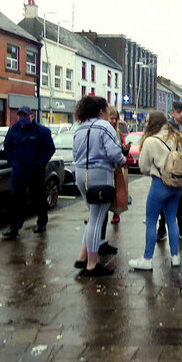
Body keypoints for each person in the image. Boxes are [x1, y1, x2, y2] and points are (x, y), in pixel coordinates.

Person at [129, 112, 182, 270]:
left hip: (160, 184)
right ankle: (175, 257)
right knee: (171, 220)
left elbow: (144, 167)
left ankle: (147, 259)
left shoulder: (150, 141)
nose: (146, 124)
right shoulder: (176, 136)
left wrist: (154, 171)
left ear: (153, 123)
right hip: (177, 185)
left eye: (147, 121)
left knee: (151, 221)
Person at [73, 96, 126, 276]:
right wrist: (123, 159)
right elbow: (114, 153)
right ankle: (92, 264)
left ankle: (82, 258)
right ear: (101, 111)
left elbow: (75, 153)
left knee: (92, 215)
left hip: (80, 173)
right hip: (99, 173)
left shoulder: (79, 128)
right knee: (97, 219)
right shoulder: (104, 127)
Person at [2, 106, 56, 239]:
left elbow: (50, 149)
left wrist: (39, 164)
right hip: (19, 171)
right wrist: (12, 162)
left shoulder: (42, 131)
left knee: (38, 198)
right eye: (20, 116)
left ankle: (41, 223)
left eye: (25, 116)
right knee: (16, 199)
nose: (22, 119)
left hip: (35, 172)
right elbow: (7, 147)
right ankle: (14, 227)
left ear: (32, 116)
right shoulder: (13, 130)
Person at [92, 105, 130, 256]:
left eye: (115, 118)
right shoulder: (103, 130)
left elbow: (117, 150)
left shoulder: (116, 132)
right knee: (100, 209)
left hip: (112, 171)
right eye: (111, 118)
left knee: (107, 204)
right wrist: (122, 156)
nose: (114, 121)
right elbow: (112, 153)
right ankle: (97, 245)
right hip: (104, 171)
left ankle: (99, 242)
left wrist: (125, 149)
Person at [157, 101, 182, 242]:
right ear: (172, 113)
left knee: (181, 200)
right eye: (178, 112)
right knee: (166, 198)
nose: (181, 115)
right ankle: (162, 228)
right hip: (169, 169)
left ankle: (181, 228)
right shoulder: (167, 127)